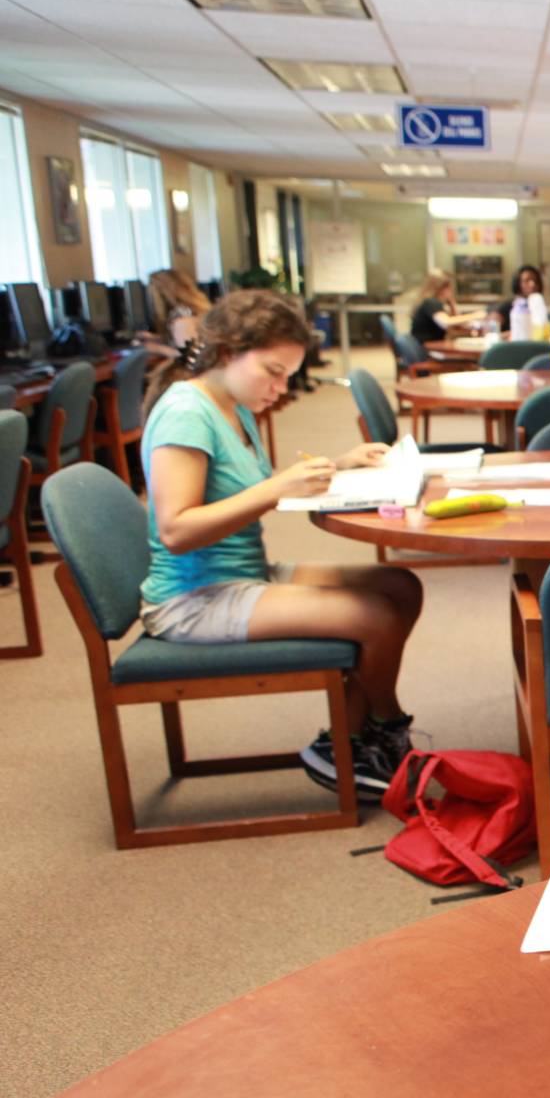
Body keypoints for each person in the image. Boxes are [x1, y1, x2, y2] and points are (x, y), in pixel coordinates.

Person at [141, 290, 425, 800]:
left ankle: (351, 741)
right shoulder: (185, 413)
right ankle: (383, 726)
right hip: (193, 598)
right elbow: (177, 530)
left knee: (399, 585)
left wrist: (338, 464)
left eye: (288, 375)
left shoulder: (233, 403)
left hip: (244, 571)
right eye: (272, 371)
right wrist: (278, 488)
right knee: (376, 617)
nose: (280, 388)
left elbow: (240, 487)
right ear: (227, 353)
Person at [407, 270, 485, 342]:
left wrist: (452, 303)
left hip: (432, 346)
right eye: (449, 287)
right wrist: (476, 315)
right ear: (441, 288)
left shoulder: (434, 303)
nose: (452, 290)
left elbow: (453, 328)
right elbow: (445, 322)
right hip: (427, 349)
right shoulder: (431, 302)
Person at [146, 268, 210, 354]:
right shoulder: (191, 311)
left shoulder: (183, 319)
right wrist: (156, 339)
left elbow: (191, 357)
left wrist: (157, 349)